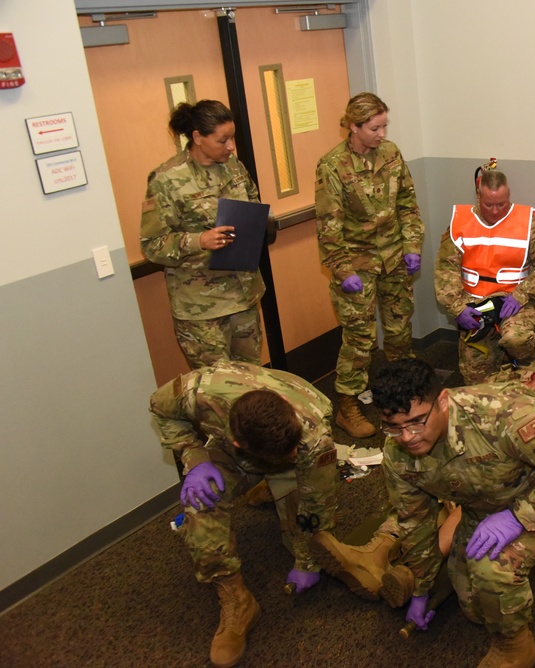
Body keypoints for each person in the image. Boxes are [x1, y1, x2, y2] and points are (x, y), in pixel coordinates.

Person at [319, 358, 535, 667]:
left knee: (490, 567)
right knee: (475, 609)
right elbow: (416, 524)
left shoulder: (504, 416)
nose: (408, 437)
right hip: (479, 509)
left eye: (416, 422)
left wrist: (518, 517)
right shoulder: (398, 454)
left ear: (443, 401)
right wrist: (420, 587)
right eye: (394, 427)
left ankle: (515, 648)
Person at [149, 361, 340, 668]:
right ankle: (238, 601)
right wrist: (195, 458)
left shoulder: (313, 436)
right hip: (235, 456)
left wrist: (308, 560)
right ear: (240, 444)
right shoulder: (199, 391)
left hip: (296, 456)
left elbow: (318, 503)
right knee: (199, 503)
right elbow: (159, 408)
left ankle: (277, 482)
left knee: (312, 541)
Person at [316, 92, 425, 439]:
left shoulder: (391, 154)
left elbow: (407, 203)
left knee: (398, 332)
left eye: (384, 126)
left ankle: (403, 390)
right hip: (356, 262)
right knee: (360, 339)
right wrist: (342, 270)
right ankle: (347, 405)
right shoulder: (332, 166)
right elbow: (328, 226)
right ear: (354, 126)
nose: (382, 134)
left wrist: (412, 245)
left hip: (394, 256)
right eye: (374, 128)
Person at [140, 99, 265, 369]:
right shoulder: (167, 179)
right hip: (201, 309)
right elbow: (152, 245)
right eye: (223, 140)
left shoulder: (234, 168)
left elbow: (252, 203)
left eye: (232, 138)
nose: (231, 146)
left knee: (253, 381)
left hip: (243, 295)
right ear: (197, 137)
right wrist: (199, 240)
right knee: (217, 392)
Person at [435, 161, 535, 384]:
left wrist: (521, 296)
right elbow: (445, 270)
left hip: (514, 303)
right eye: (488, 204)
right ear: (478, 196)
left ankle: (525, 369)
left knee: (516, 340)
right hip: (473, 305)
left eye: (501, 204)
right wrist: (457, 308)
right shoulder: (460, 223)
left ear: (509, 194)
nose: (495, 211)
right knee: (475, 379)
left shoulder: (528, 224)